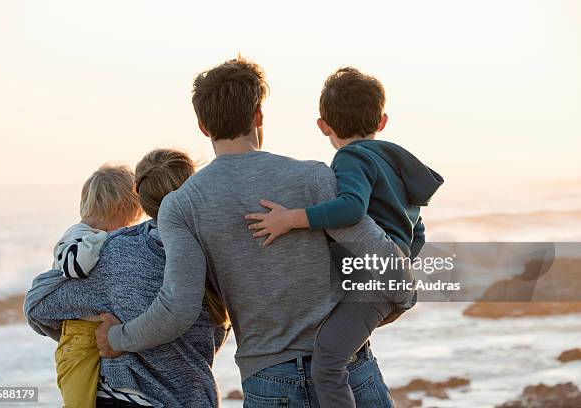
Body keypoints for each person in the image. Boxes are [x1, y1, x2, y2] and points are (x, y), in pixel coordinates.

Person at [96, 57, 414, 407]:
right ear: (258, 116)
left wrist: (118, 338)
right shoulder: (314, 177)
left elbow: (178, 310)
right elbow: (387, 262)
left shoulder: (182, 206)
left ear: (203, 126)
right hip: (348, 372)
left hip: (271, 383)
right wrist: (398, 302)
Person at [245, 67, 443, 407]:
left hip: (374, 286)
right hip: (385, 279)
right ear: (381, 121)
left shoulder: (351, 158)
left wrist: (292, 219)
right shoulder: (390, 161)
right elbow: (418, 230)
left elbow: (350, 208)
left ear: (323, 125)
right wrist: (400, 267)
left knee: (328, 366)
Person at [25, 149, 229, 408]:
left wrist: (99, 335)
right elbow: (219, 331)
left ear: (142, 200)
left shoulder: (120, 251)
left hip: (129, 396)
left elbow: (37, 305)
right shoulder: (220, 253)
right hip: (198, 395)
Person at [50, 164, 143, 408]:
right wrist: (103, 240)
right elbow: (73, 268)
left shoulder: (92, 234)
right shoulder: (78, 234)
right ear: (121, 208)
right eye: (131, 218)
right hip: (78, 339)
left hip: (98, 334)